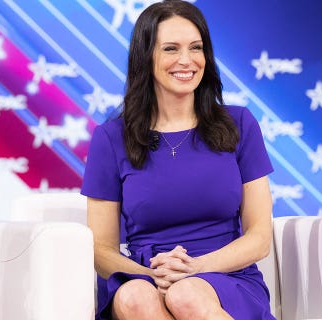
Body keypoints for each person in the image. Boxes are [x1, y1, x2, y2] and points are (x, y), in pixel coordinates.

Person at [81, 0, 275, 319]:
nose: (186, 60)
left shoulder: (240, 124)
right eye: (171, 49)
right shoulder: (110, 138)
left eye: (195, 48)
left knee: (187, 295)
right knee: (134, 298)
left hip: (226, 275)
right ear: (146, 58)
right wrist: (152, 275)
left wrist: (195, 268)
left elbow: (259, 239)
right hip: (145, 276)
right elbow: (100, 250)